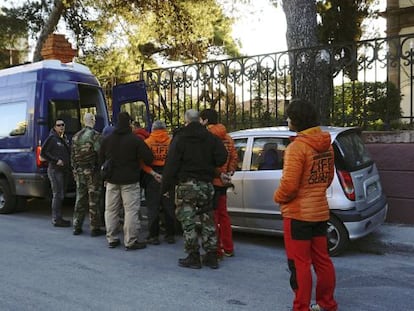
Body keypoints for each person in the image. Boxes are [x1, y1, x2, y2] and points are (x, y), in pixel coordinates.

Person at [273, 99, 337, 311]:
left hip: (297, 214)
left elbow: (289, 186)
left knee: (299, 263)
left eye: (289, 116)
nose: (288, 120)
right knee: (322, 260)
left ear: (297, 119)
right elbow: (327, 178)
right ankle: (326, 303)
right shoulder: (327, 145)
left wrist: (278, 197)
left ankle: (301, 307)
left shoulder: (296, 148)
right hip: (319, 212)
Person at [161, 109, 227, 269]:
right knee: (208, 219)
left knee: (188, 221)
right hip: (206, 185)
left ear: (186, 120)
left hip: (186, 185)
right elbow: (222, 157)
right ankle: (211, 256)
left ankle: (193, 256)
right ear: (199, 120)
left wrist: (166, 186)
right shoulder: (210, 137)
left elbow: (171, 164)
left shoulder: (180, 138)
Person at [99, 112, 154, 250]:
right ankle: (130, 241)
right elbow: (149, 158)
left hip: (111, 180)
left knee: (111, 210)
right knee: (130, 211)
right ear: (129, 123)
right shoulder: (135, 140)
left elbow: (100, 159)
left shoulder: (107, 139)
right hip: (130, 181)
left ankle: (112, 238)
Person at [200, 109, 238, 259]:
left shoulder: (206, 138)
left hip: (211, 180)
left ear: (206, 121)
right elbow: (234, 157)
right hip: (223, 183)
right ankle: (228, 247)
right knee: (224, 215)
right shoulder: (228, 138)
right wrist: (229, 173)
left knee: (212, 217)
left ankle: (216, 249)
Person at [141, 120, 176, 245]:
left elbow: (142, 162)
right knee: (169, 205)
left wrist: (152, 173)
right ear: (165, 129)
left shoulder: (147, 142)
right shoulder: (171, 142)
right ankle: (170, 234)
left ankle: (153, 235)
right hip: (167, 174)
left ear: (153, 129)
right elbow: (175, 160)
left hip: (152, 176)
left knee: (153, 206)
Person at [71, 113, 105, 237]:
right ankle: (94, 227)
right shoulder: (95, 136)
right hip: (92, 172)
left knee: (80, 198)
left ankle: (77, 225)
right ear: (93, 120)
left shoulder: (75, 137)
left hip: (79, 171)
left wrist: (75, 170)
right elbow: (100, 155)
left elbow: (73, 157)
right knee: (94, 199)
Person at [40, 118, 72, 227]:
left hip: (64, 170)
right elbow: (43, 153)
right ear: (54, 127)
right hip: (55, 170)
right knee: (57, 194)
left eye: (63, 125)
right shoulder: (52, 138)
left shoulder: (64, 138)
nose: (61, 127)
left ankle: (59, 217)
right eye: (58, 125)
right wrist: (55, 160)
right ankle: (56, 219)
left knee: (61, 194)